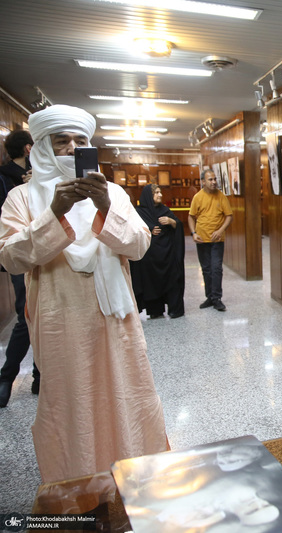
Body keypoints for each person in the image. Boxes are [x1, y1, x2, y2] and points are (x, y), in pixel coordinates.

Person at [0, 104, 168, 482]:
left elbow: (139, 246)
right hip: (60, 322)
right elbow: (11, 259)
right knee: (71, 404)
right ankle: (79, 486)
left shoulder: (114, 194)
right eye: (62, 142)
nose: (72, 149)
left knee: (127, 394)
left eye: (81, 141)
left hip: (116, 319)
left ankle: (136, 481)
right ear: (40, 148)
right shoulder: (22, 199)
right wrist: (55, 212)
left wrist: (106, 206)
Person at [0, 129, 39, 407]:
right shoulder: (5, 179)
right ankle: (6, 377)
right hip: (21, 254)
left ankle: (40, 375)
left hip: (48, 252)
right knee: (27, 314)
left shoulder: (43, 174)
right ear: (28, 149)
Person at [130, 184, 185, 319]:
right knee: (151, 282)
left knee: (173, 279)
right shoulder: (139, 213)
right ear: (149, 196)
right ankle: (155, 310)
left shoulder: (165, 210)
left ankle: (175, 309)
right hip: (149, 257)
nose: (160, 195)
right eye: (156, 193)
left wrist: (172, 221)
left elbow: (178, 226)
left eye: (160, 192)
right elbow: (133, 230)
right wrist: (149, 229)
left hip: (167, 255)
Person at [188, 169, 233, 312]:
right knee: (206, 269)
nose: (214, 182)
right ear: (203, 182)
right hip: (202, 239)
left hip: (217, 240)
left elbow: (229, 216)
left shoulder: (221, 197)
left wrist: (220, 231)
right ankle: (210, 297)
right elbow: (191, 216)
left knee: (216, 268)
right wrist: (193, 233)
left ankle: (217, 298)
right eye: (210, 180)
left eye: (215, 179)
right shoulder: (198, 197)